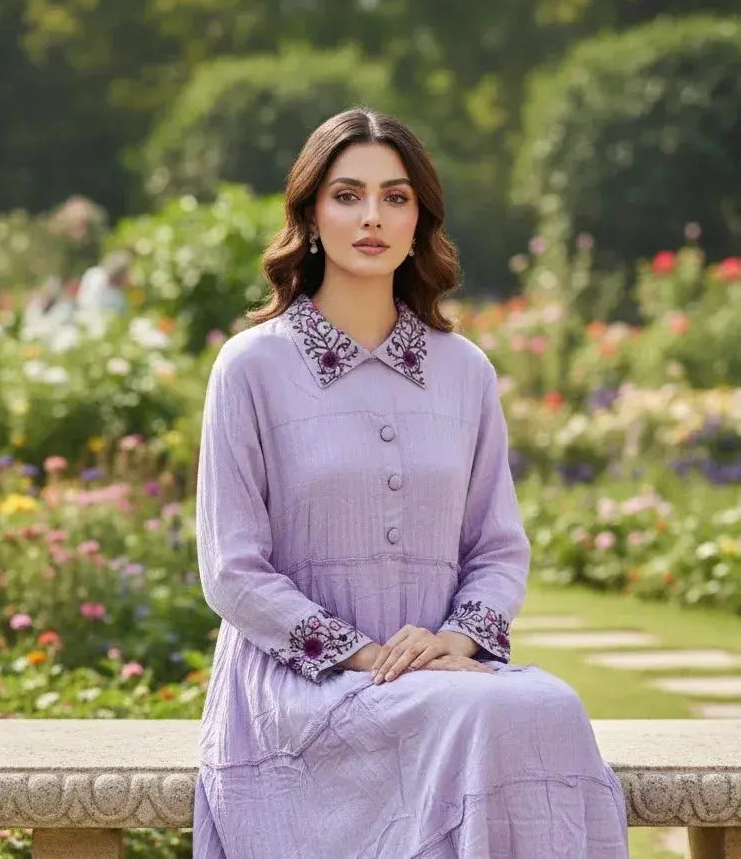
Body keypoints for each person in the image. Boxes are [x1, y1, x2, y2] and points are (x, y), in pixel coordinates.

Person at [192, 108, 628, 858]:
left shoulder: (465, 372)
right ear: (310, 213)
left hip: (443, 674)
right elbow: (231, 569)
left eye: (395, 197)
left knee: (552, 704)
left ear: (420, 216)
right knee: (492, 717)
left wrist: (455, 641)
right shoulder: (251, 367)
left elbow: (497, 548)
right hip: (302, 689)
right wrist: (364, 655)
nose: (372, 217)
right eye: (347, 194)